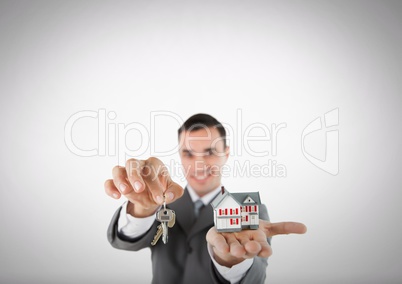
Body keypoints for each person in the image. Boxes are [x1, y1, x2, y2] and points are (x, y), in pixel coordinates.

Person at [105, 113, 306, 284]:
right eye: (188, 153)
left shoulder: (251, 210)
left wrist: (231, 261)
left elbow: (255, 277)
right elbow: (124, 242)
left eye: (209, 152)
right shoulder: (162, 204)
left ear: (226, 154)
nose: (199, 164)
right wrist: (141, 208)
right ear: (180, 155)